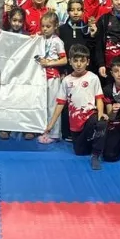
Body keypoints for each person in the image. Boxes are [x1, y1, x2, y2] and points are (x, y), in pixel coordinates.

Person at [44, 45, 108, 170]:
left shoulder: (93, 78)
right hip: (75, 124)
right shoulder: (66, 81)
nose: (79, 64)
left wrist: (100, 113)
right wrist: (51, 125)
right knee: (80, 152)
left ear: (87, 62)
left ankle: (96, 154)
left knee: (101, 123)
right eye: (76, 61)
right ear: (70, 61)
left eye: (82, 61)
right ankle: (92, 143)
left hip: (90, 116)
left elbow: (99, 98)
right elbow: (61, 103)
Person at [36, 11, 67, 144]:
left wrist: (49, 63)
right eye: (43, 26)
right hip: (40, 76)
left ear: (55, 27)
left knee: (52, 105)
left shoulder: (57, 41)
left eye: (48, 26)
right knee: (42, 104)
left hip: (53, 76)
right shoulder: (40, 38)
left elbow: (64, 60)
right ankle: (44, 130)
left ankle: (54, 133)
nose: (45, 29)